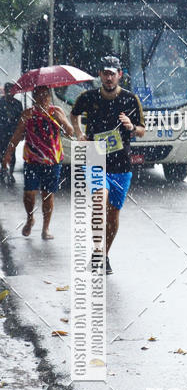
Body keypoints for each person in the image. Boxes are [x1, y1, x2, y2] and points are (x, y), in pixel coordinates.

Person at [70, 55, 145, 275]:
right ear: (100, 75)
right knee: (98, 201)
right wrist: (79, 134)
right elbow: (73, 115)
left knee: (113, 215)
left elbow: (142, 130)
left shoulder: (130, 99)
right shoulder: (88, 97)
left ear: (119, 75)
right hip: (95, 158)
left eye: (112, 73)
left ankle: (104, 255)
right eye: (105, 73)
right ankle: (96, 249)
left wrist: (131, 127)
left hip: (121, 164)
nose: (109, 78)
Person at [1, 85, 74, 239]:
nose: (42, 98)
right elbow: (17, 135)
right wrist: (8, 153)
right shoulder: (27, 114)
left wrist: (62, 121)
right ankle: (30, 219)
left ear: (49, 96)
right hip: (32, 160)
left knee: (48, 195)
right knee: (29, 193)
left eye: (45, 95)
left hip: (52, 161)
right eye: (39, 95)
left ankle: (46, 228)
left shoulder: (57, 112)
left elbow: (70, 132)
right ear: (34, 97)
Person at [0, 83, 23, 185]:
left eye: (12, 91)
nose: (10, 93)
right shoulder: (0, 102)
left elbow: (21, 119)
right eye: (8, 91)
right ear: (5, 91)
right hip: (1, 132)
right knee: (1, 152)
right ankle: (3, 170)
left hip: (13, 133)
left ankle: (10, 172)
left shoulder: (18, 104)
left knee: (12, 153)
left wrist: (21, 133)